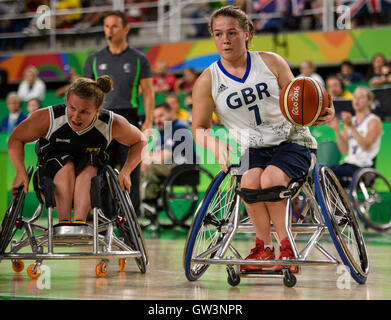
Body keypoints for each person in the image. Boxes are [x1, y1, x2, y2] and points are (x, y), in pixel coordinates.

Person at [191, 6, 334, 272]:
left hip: (292, 141)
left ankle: (286, 246)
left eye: (232, 32)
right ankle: (263, 248)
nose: (225, 39)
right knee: (249, 181)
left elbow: (300, 100)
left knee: (269, 180)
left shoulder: (271, 62)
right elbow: (199, 128)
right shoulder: (207, 80)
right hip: (251, 148)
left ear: (247, 33)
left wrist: (322, 110)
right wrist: (215, 144)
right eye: (218, 33)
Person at [7, 75, 147, 226]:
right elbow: (15, 139)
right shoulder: (47, 117)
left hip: (92, 181)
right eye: (72, 108)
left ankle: (80, 223)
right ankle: (64, 222)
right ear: (67, 102)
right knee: (65, 164)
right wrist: (20, 172)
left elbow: (141, 141)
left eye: (84, 112)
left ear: (97, 111)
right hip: (50, 178)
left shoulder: (111, 123)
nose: (75, 116)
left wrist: (126, 171)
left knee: (91, 164)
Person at [83, 10, 155, 216]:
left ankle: (130, 224)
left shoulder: (139, 59)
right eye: (106, 26)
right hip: (101, 120)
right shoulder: (94, 60)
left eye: (114, 26)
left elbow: (149, 92)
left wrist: (148, 120)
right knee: (100, 172)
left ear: (125, 29)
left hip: (129, 118)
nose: (109, 30)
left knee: (129, 171)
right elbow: (86, 94)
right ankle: (104, 222)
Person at [140, 102, 195, 201]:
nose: (157, 120)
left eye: (161, 116)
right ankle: (141, 203)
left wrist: (148, 158)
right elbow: (155, 155)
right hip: (169, 166)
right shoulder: (161, 131)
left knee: (149, 168)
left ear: (171, 113)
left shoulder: (178, 129)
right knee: (138, 167)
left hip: (182, 168)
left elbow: (163, 158)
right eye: (155, 117)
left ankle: (149, 202)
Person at [328, 86, 382, 183]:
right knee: (323, 171)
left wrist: (351, 127)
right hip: (349, 163)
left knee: (329, 173)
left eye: (361, 97)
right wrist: (336, 129)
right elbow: (344, 149)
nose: (356, 100)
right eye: (355, 97)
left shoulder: (374, 121)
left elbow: (366, 146)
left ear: (369, 101)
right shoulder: (350, 121)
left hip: (364, 166)